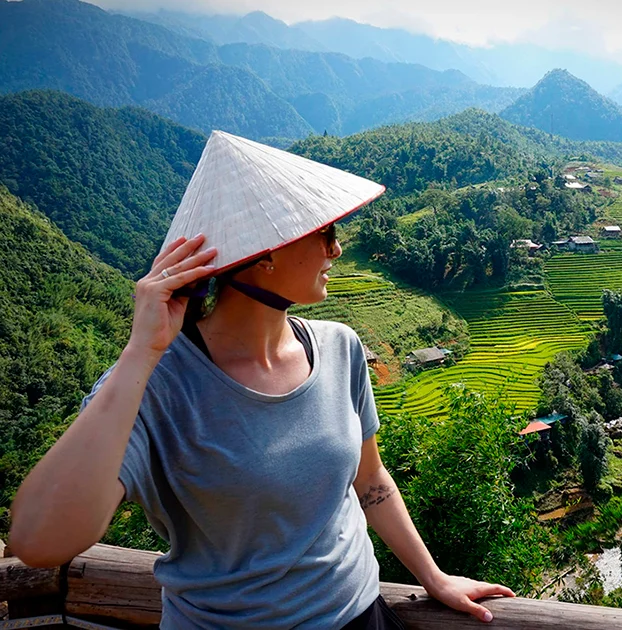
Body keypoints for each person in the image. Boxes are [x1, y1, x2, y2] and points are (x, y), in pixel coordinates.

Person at [10, 131, 514, 628]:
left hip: (361, 613)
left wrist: (434, 577)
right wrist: (141, 352)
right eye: (325, 233)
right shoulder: (158, 384)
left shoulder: (340, 346)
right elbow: (37, 542)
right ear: (266, 254)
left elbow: (370, 480)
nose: (337, 250)